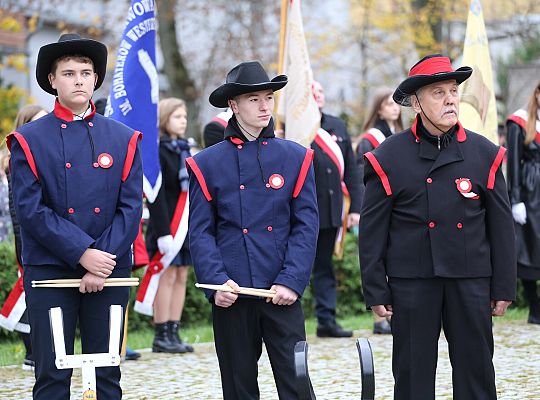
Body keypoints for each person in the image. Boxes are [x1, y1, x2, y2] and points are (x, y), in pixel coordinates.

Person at [359, 54, 516, 400]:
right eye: (437, 92)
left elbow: (501, 227)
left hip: (471, 280)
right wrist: (375, 289)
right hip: (412, 283)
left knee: (477, 373)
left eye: (453, 91)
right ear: (415, 102)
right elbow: (372, 231)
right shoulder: (387, 156)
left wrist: (503, 284)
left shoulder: (485, 153)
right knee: (413, 377)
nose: (449, 99)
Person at [8, 33, 143, 399]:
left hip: (110, 269)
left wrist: (101, 263)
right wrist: (83, 253)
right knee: (51, 376)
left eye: (86, 72)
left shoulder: (125, 138)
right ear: (52, 80)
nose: (79, 79)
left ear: (96, 79)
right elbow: (31, 211)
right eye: (68, 73)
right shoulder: (28, 139)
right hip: (51, 269)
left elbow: (131, 208)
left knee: (107, 375)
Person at [187, 61, 319, 399]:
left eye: (268, 98)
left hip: (281, 290)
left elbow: (306, 225)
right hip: (231, 291)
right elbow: (201, 231)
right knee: (238, 386)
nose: (264, 106)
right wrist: (216, 283)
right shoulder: (206, 163)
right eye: (253, 99)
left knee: (296, 383)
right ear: (233, 105)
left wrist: (291, 280)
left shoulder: (296, 157)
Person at [310, 80, 363, 338]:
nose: (317, 95)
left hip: (332, 210)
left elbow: (352, 170)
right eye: (312, 91)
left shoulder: (336, 125)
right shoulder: (291, 127)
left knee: (324, 267)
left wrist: (356, 207)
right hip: (303, 211)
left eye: (320, 91)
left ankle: (326, 320)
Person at [145, 97, 194, 353]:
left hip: (185, 224)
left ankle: (174, 330)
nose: (183, 121)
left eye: (184, 116)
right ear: (164, 119)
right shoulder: (159, 150)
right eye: (177, 116)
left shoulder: (186, 148)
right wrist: (163, 231)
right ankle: (161, 332)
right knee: (165, 274)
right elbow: (158, 193)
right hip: (166, 225)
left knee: (181, 274)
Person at [0, 105, 47, 370]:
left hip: (42, 234)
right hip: (26, 236)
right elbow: (19, 208)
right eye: (37, 122)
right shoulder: (16, 158)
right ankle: (32, 351)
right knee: (29, 293)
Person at [355, 89, 403, 335]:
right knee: (377, 256)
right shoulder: (371, 139)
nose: (394, 108)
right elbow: (362, 177)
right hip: (378, 205)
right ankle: (378, 319)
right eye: (388, 104)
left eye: (396, 104)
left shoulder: (401, 136)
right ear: (379, 109)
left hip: (399, 206)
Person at [506, 81, 540, 325]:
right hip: (531, 192)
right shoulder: (519, 122)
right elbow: (514, 162)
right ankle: (534, 308)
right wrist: (516, 199)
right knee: (529, 248)